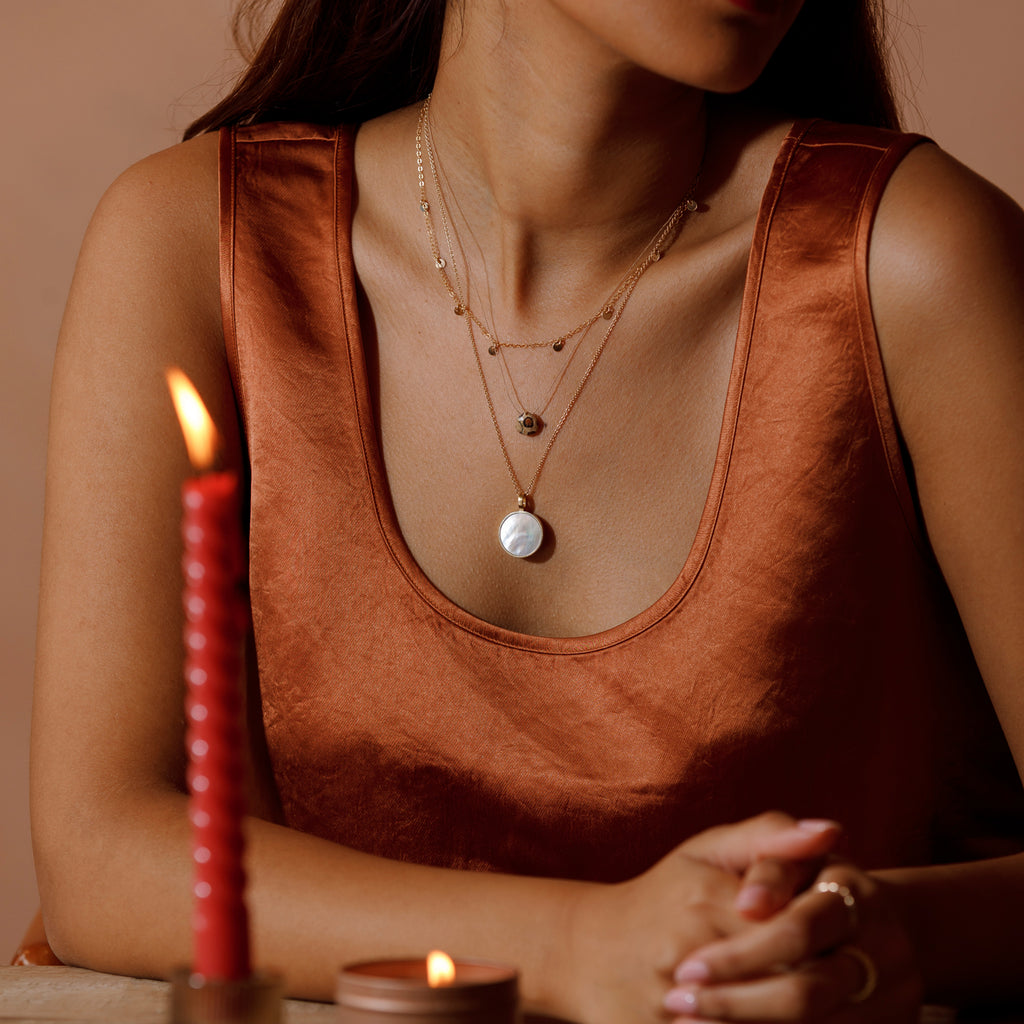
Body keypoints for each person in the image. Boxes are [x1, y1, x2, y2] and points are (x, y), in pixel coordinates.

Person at [30, 0, 1024, 1019]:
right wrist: (582, 944)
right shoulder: (198, 242)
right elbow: (105, 857)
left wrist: (875, 930)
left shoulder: (911, 262)